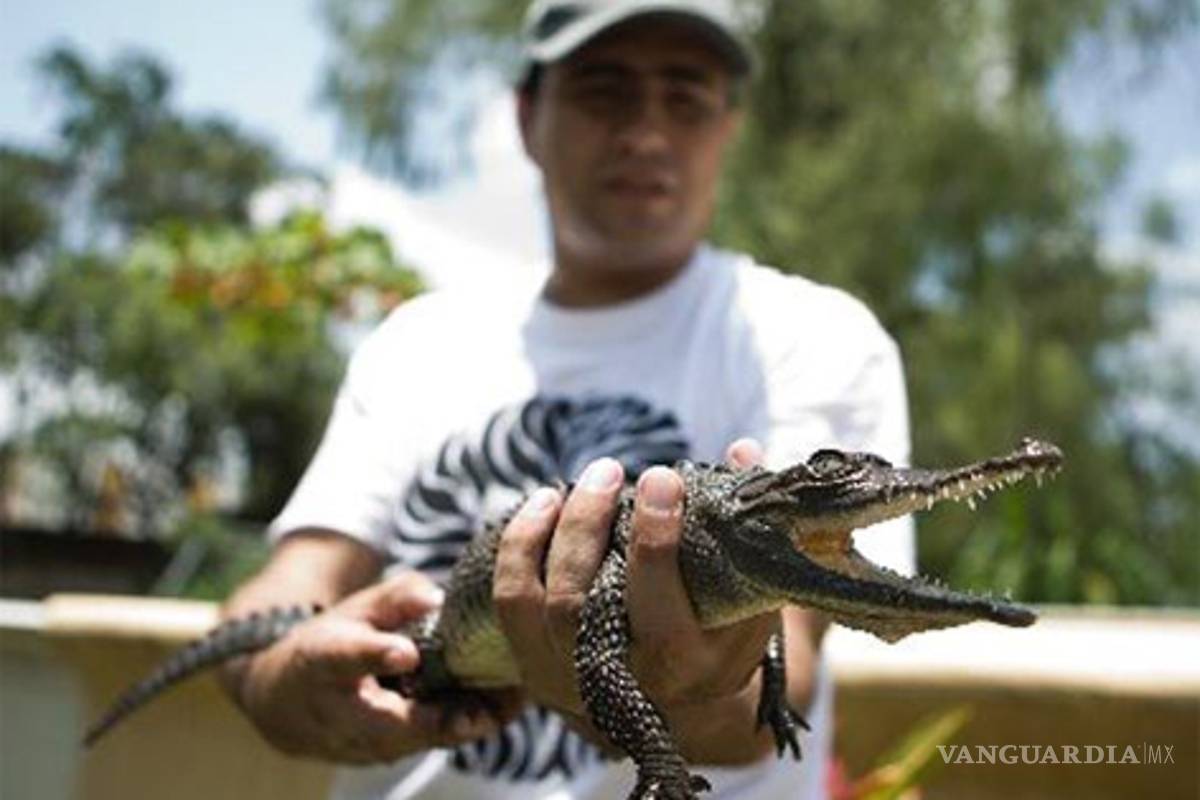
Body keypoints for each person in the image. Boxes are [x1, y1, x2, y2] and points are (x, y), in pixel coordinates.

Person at [219, 1, 914, 798]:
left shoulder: (814, 335)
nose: (646, 134)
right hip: (444, 644)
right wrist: (271, 677)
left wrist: (670, 692)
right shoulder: (417, 341)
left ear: (728, 127)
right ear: (527, 116)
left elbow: (783, 660)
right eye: (603, 90)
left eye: (685, 97)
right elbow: (295, 580)